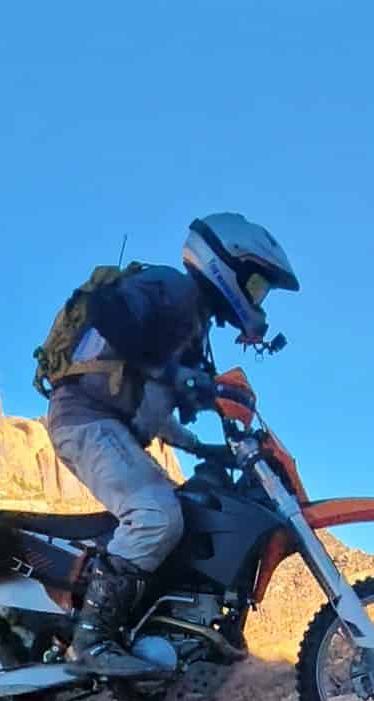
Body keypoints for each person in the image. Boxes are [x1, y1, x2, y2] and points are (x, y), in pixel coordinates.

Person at [44, 213, 298, 675]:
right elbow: (110, 316)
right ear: (229, 265)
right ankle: (92, 641)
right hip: (85, 419)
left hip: (111, 426)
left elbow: (152, 403)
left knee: (183, 508)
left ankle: (156, 623)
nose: (258, 300)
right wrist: (173, 372)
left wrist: (203, 447)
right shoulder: (171, 288)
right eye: (258, 286)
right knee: (155, 515)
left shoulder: (192, 323)